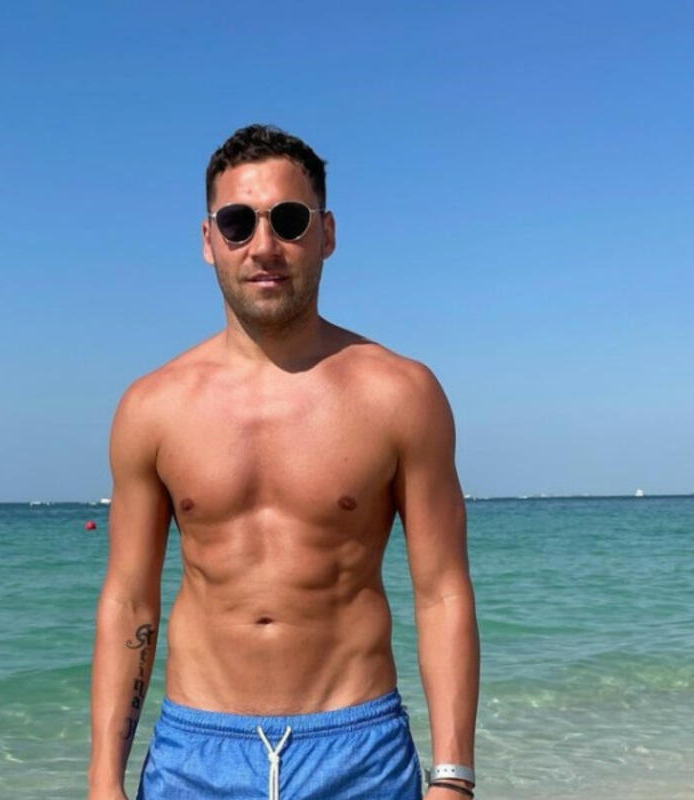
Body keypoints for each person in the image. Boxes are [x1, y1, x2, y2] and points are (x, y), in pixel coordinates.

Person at [88, 124, 479, 800]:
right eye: (237, 223)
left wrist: (452, 779)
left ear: (326, 233)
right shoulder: (152, 408)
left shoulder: (401, 395)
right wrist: (103, 780)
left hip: (358, 754)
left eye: (289, 220)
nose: (263, 245)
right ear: (208, 240)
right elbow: (129, 600)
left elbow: (442, 591)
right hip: (193, 760)